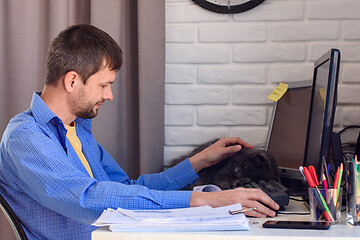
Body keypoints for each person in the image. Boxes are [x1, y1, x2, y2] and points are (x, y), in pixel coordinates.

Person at [0, 24, 278, 240]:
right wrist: (204, 199)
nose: (109, 95)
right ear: (73, 80)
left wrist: (199, 161)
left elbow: (127, 191)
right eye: (104, 85)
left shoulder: (77, 130)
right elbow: (85, 198)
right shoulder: (26, 136)